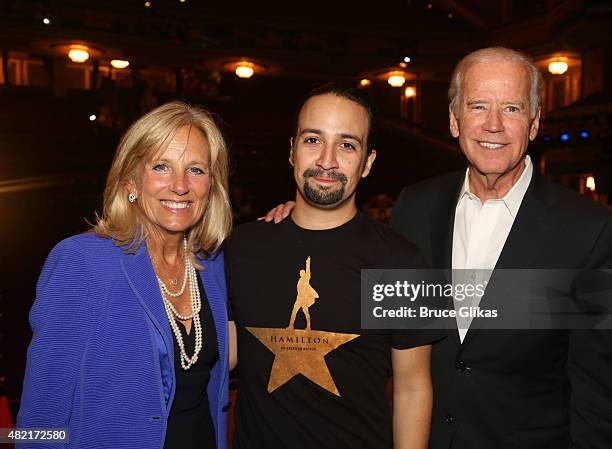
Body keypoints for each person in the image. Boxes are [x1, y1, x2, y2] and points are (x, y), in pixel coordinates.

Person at [390, 47, 612, 448]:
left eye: (511, 108)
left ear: (534, 122)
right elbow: (390, 328)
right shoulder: (413, 207)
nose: (493, 125)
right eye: (478, 106)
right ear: (455, 120)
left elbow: (597, 390)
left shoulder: (590, 231)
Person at [225, 83, 443, 449]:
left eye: (346, 144)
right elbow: (218, 358)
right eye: (313, 140)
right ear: (292, 151)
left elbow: (412, 387)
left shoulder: (401, 262)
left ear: (368, 162)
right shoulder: (239, 248)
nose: (327, 160)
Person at [17, 101, 233, 449]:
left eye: (196, 169)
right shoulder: (82, 261)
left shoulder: (212, 264)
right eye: (161, 166)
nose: (180, 185)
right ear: (131, 180)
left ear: (211, 185)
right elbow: (40, 416)